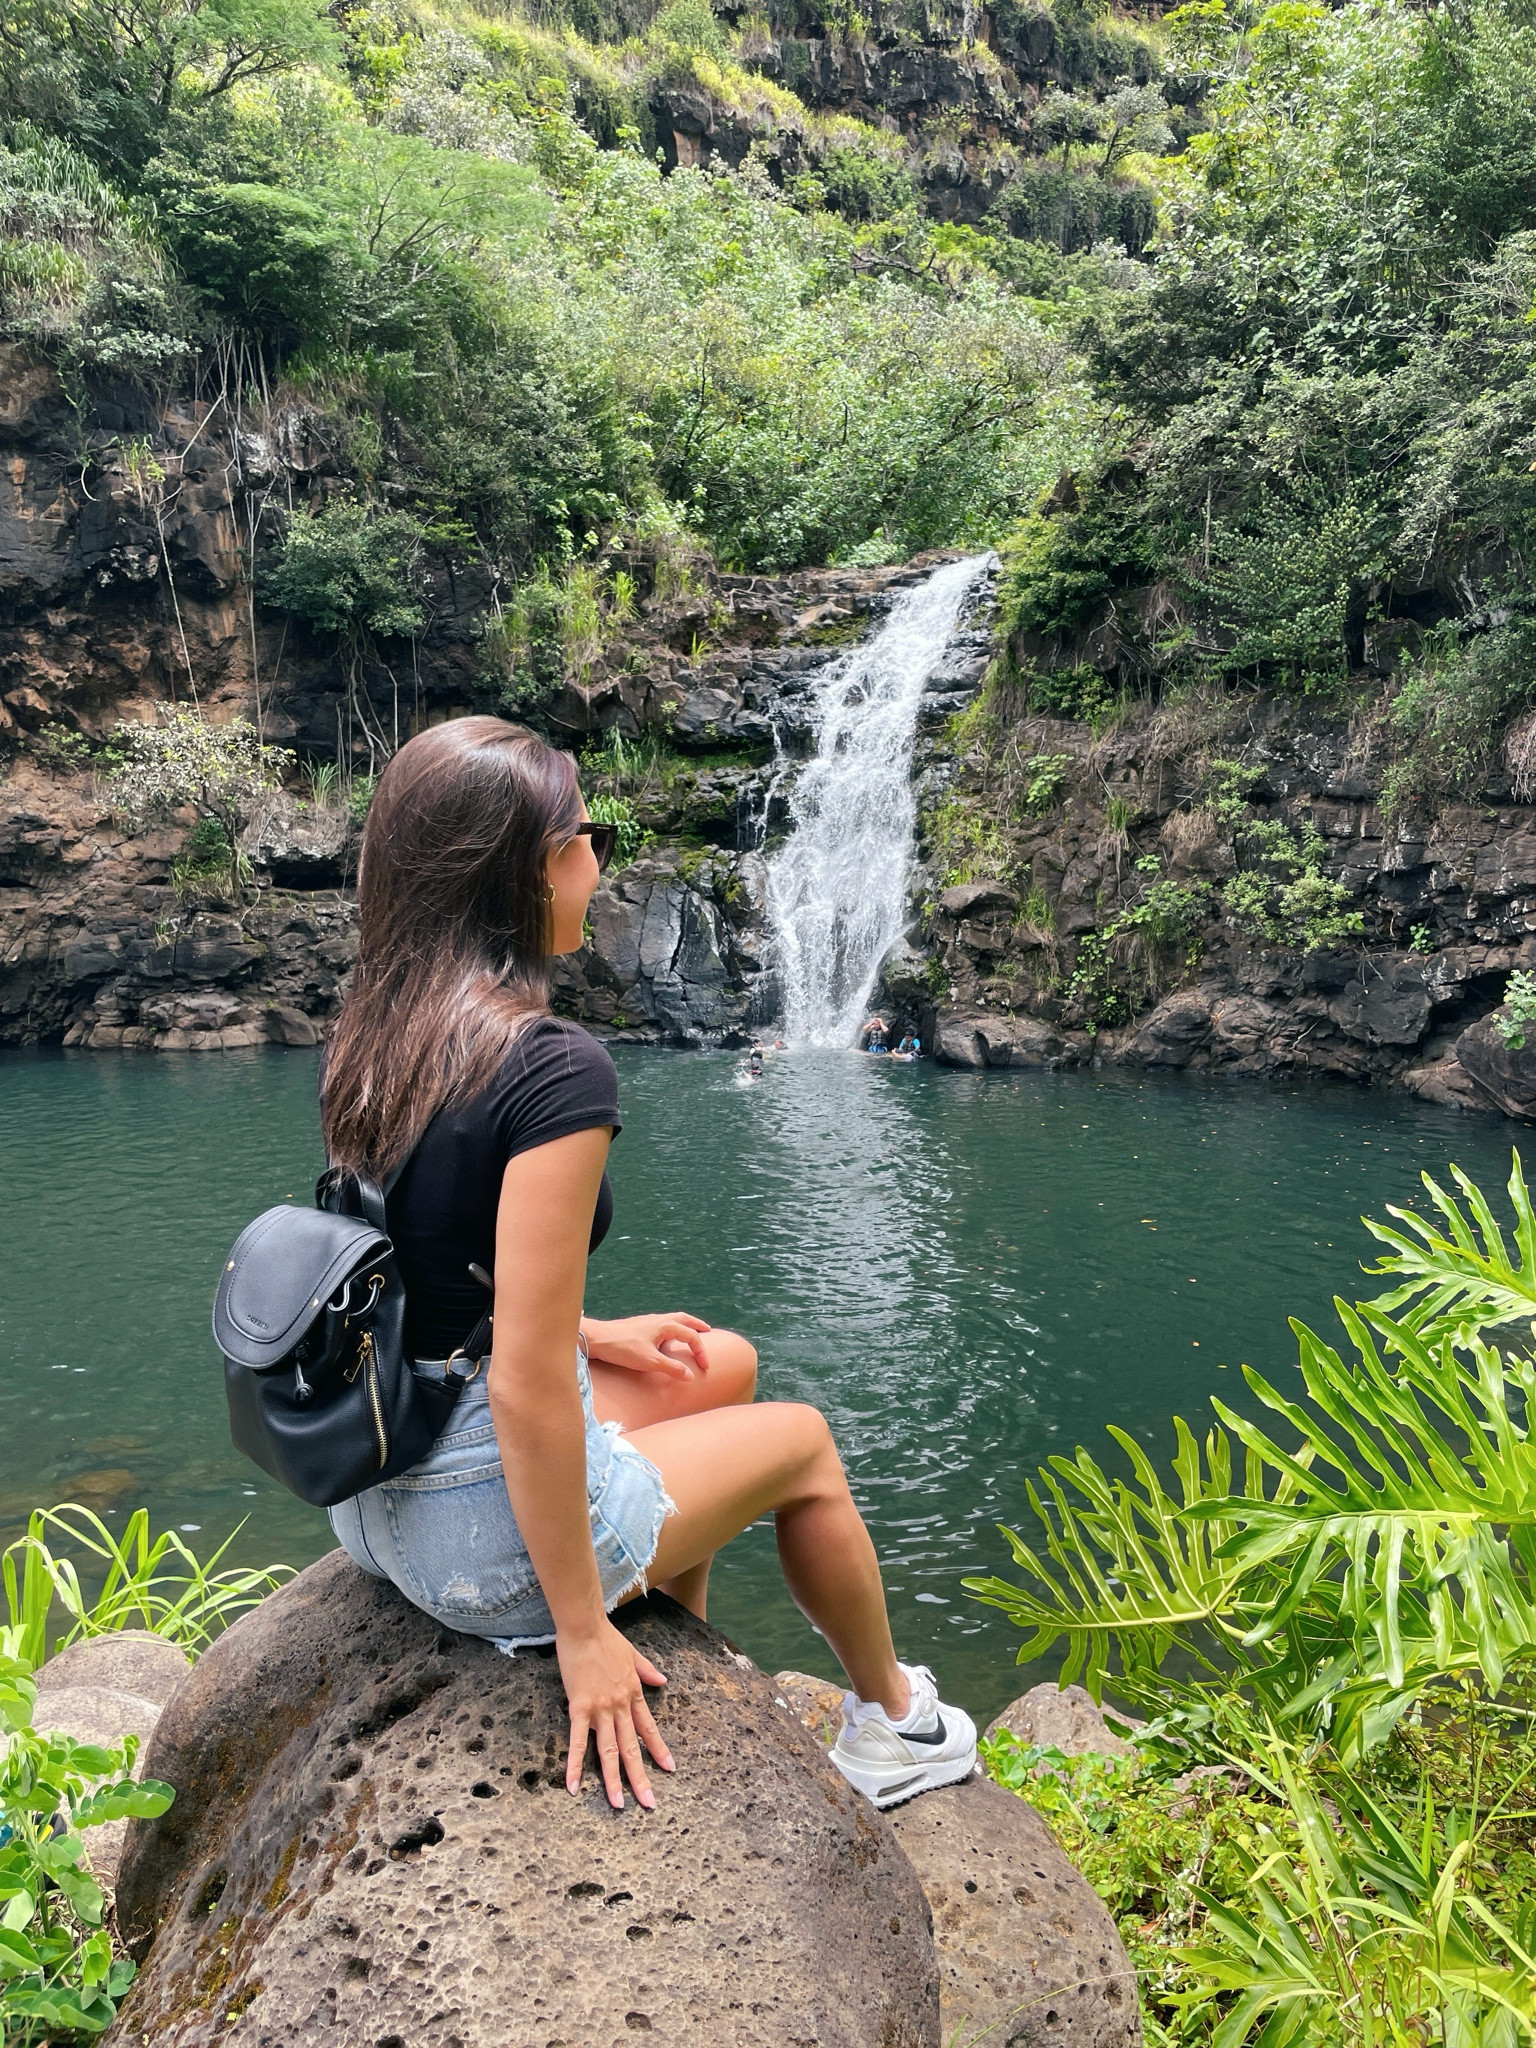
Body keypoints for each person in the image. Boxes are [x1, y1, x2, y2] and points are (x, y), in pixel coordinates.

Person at [322, 719, 975, 1814]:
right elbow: (525, 1389)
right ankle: (896, 1721)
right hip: (482, 1536)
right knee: (806, 1443)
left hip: (374, 1486)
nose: (601, 861)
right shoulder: (551, 1068)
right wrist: (577, 1632)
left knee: (716, 1362)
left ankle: (686, 1638)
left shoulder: (381, 1027)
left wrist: (585, 1329)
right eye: (587, 836)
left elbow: (412, 1261)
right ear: (523, 870)